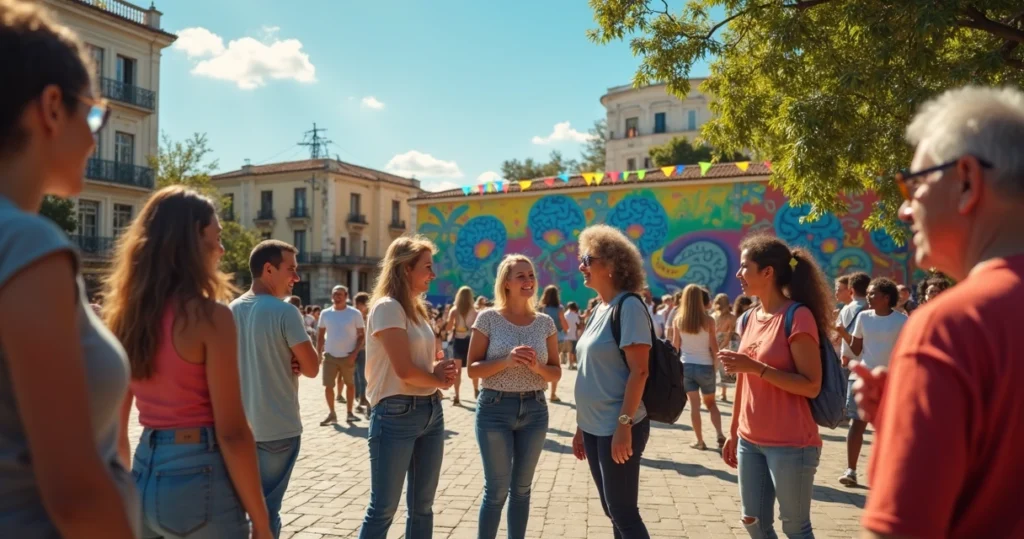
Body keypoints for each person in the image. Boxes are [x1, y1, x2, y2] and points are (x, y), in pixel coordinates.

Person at [853, 86, 1024, 539]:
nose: (905, 210)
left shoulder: (952, 326)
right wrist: (906, 418)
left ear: (966, 180)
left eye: (914, 184)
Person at [0, 2, 136, 535]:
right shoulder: (25, 242)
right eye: (94, 114)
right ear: (52, 107)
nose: (97, 135)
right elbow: (75, 494)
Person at [106, 187, 272, 538]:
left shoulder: (126, 318)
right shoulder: (210, 318)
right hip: (199, 476)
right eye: (217, 236)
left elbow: (116, 432)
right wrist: (261, 520)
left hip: (144, 473)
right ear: (194, 240)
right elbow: (233, 432)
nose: (222, 249)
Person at [719, 233, 834, 539]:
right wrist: (733, 431)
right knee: (753, 521)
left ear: (767, 272)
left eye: (745, 266)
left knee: (795, 527)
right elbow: (743, 381)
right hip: (749, 440)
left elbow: (811, 385)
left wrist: (756, 367)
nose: (738, 273)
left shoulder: (798, 316)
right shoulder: (747, 318)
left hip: (791, 443)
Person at [359, 236, 457, 539]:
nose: (433, 274)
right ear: (405, 269)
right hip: (395, 412)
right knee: (383, 509)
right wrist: (437, 377)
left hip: (430, 409)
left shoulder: (416, 308)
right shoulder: (388, 307)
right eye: (427, 267)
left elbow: (418, 363)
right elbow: (403, 370)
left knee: (423, 507)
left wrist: (439, 368)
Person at [467, 255, 561, 539]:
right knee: (496, 490)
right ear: (506, 282)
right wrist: (506, 361)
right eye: (520, 276)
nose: (528, 281)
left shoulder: (545, 322)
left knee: (521, 490)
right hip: (494, 408)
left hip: (535, 409)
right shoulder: (488, 318)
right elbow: (472, 369)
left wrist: (537, 368)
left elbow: (556, 373)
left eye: (531, 275)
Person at [231, 241, 320, 538]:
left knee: (241, 511)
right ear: (268, 269)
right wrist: (297, 356)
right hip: (277, 429)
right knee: (267, 512)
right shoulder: (285, 312)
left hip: (238, 431)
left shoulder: (230, 310)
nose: (296, 277)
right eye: (291, 269)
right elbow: (312, 368)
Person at [571, 224, 652, 539]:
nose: (581, 266)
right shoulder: (598, 309)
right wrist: (581, 427)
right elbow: (591, 372)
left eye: (588, 260)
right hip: (594, 427)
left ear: (612, 265)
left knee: (623, 513)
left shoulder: (628, 307)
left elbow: (639, 371)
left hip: (618, 426)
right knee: (612, 510)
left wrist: (624, 425)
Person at [832, 277, 906, 487]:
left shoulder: (902, 321)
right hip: (861, 379)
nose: (868, 297)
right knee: (857, 423)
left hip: (890, 382)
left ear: (886, 297)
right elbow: (856, 349)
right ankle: (851, 470)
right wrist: (842, 333)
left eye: (873, 293)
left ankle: (888, 473)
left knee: (887, 428)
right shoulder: (864, 317)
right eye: (868, 293)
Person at [673, 285, 725, 451]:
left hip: (686, 366)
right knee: (711, 404)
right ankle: (719, 434)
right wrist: (715, 367)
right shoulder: (709, 321)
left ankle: (700, 441)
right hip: (705, 366)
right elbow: (715, 348)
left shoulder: (678, 320)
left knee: (694, 406)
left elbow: (675, 347)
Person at [317, 285, 365, 425]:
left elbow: (361, 336)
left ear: (346, 296)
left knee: (350, 385)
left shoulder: (354, 313)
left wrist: (354, 353)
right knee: (328, 386)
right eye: (334, 294)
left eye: (340, 294)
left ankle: (349, 413)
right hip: (330, 356)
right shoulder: (325, 313)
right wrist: (318, 354)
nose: (336, 297)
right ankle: (332, 413)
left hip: (348, 356)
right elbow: (320, 336)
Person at [446, 286, 477, 405]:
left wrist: (454, 325)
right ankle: (476, 389)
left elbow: (448, 328)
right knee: (473, 367)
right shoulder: (475, 311)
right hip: (471, 342)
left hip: (458, 342)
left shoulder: (454, 310)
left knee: (457, 370)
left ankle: (457, 395)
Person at [539, 285, 570, 403]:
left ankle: (539, 390)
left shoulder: (541, 308)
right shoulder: (560, 308)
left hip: (542, 340)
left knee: (540, 364)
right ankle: (553, 394)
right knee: (554, 366)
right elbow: (565, 326)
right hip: (557, 339)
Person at [354, 292, 371, 412]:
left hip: (365, 351)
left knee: (363, 376)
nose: (356, 307)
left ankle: (364, 399)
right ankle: (358, 398)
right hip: (355, 350)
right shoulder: (355, 316)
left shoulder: (370, 317)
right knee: (355, 376)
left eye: (358, 304)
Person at [563, 301, 582, 370]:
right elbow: (578, 324)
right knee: (572, 351)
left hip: (566, 335)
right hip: (574, 335)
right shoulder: (575, 315)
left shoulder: (565, 314)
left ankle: (570, 364)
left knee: (569, 351)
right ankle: (572, 364)